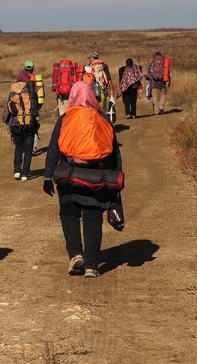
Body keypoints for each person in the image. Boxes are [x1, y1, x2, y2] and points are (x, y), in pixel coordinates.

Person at [42, 81, 122, 278]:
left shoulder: (65, 119)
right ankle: (92, 265)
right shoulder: (103, 119)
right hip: (97, 178)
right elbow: (114, 155)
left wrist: (47, 176)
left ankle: (76, 255)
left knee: (69, 215)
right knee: (92, 218)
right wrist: (115, 182)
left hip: (68, 175)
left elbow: (53, 149)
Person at [6, 67, 39, 181]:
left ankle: (17, 171)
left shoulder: (13, 90)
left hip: (16, 124)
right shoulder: (31, 89)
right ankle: (25, 173)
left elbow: (9, 110)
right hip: (29, 124)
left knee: (18, 148)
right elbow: (36, 108)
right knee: (28, 149)